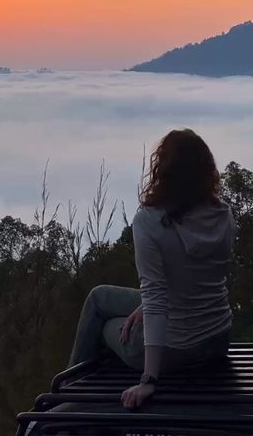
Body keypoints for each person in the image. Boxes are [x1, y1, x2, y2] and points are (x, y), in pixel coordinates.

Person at [68, 128, 235, 409]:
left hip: (178, 348)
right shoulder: (223, 214)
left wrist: (148, 380)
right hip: (218, 335)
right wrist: (144, 306)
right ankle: (72, 389)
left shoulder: (150, 221)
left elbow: (157, 300)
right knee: (100, 297)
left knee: (108, 325)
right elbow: (198, 279)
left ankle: (71, 393)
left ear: (162, 169)